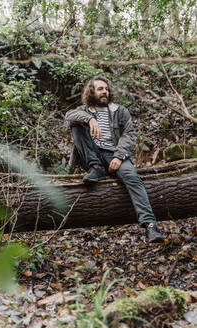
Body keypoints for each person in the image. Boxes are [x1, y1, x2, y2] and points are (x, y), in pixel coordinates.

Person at [65, 76, 164, 243]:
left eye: (106, 88)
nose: (105, 91)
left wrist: (119, 156)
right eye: (100, 89)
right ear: (91, 92)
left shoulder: (119, 111)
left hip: (114, 154)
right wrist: (89, 119)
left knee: (132, 177)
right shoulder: (84, 110)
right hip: (92, 154)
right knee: (76, 124)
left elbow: (129, 135)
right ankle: (95, 167)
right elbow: (68, 116)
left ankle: (150, 226)